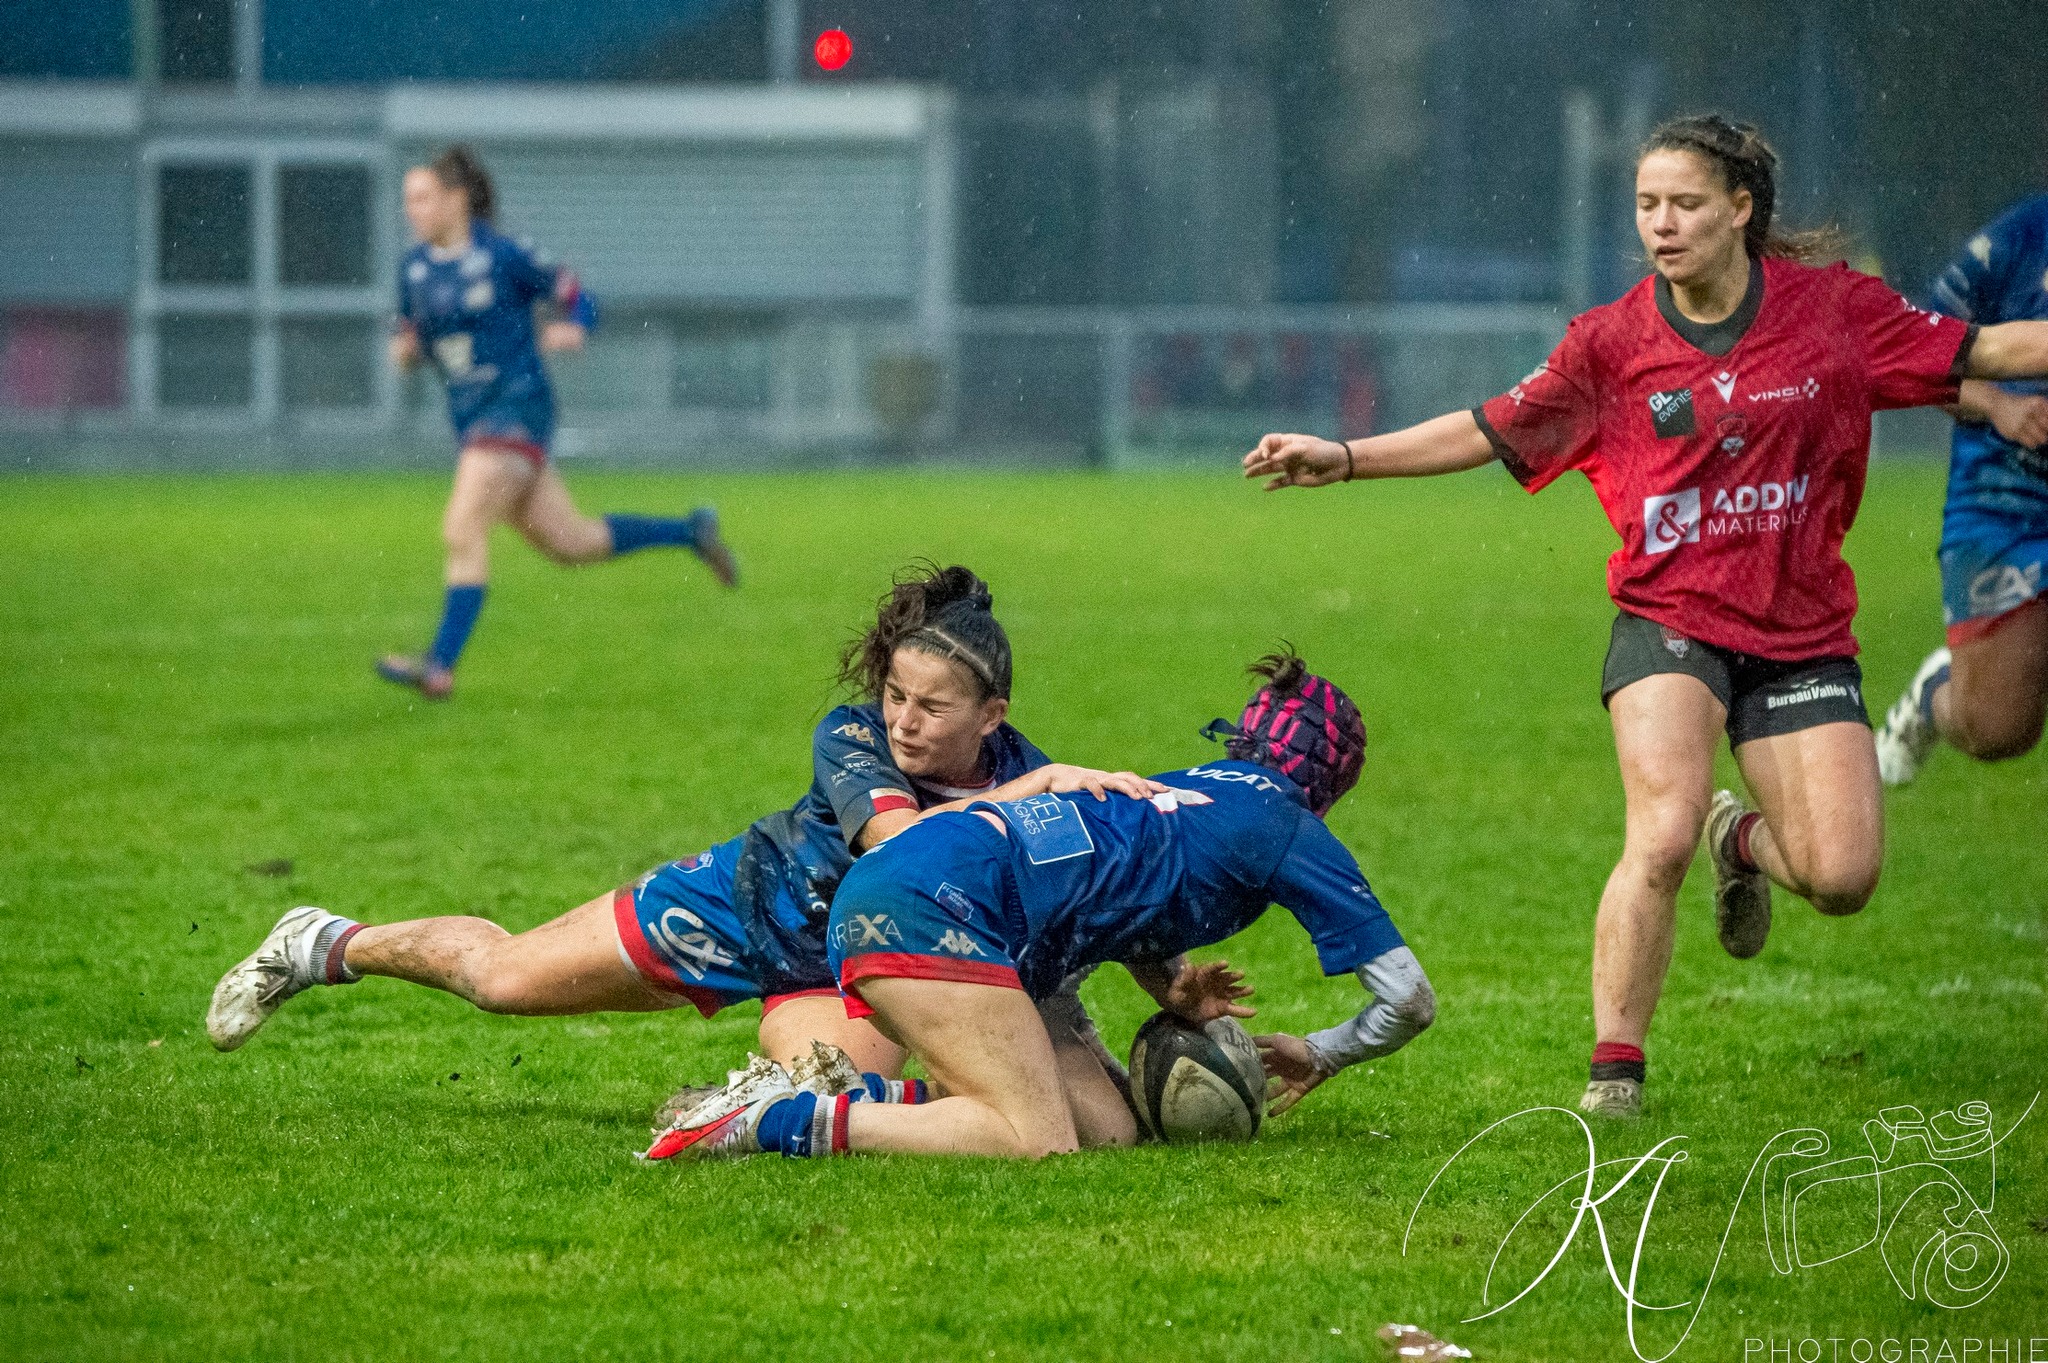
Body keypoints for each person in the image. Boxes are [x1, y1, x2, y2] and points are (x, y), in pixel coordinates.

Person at [1241, 115, 2048, 1118]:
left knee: (1839, 877)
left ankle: (1737, 840)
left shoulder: (1834, 313)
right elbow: (1488, 426)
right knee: (1656, 830)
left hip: (1800, 633)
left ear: (1739, 210)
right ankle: (1611, 1077)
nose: (1659, 225)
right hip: (1667, 622)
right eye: (1645, 205)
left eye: (1684, 205)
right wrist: (1346, 455)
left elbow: (1994, 344)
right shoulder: (1610, 345)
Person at [208, 565, 1153, 1086]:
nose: (904, 720)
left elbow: (1091, 903)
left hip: (851, 969)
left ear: (991, 717)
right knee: (500, 979)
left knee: (851, 1106)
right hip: (743, 907)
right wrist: (1029, 799)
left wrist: (1172, 982)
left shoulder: (1029, 778)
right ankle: (327, 942)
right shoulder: (855, 736)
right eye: (896, 694)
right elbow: (902, 850)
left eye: (932, 707)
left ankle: (802, 1091)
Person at [644, 651, 1436, 1161]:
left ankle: (868, 1101)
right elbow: (1408, 998)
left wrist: (1175, 989)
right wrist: (1324, 1051)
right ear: (1334, 785)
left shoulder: (1196, 788)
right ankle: (776, 1119)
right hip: (937, 905)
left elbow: (1119, 887)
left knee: (1109, 1130)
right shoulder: (1290, 826)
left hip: (941, 895)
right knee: (1037, 1139)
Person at [376, 145, 738, 701]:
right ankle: (690, 531)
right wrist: (405, 351)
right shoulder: (415, 269)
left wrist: (576, 327)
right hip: (472, 418)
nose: (412, 209)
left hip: (516, 408)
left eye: (422, 197)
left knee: (462, 526)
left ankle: (439, 667)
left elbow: (576, 293)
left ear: (458, 200)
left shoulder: (503, 256)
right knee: (572, 542)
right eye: (408, 200)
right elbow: (414, 338)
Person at [1875, 193, 2048, 783]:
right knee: (1999, 728)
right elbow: (1911, 355)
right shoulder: (2016, 241)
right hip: (2007, 501)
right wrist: (1998, 405)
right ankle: (1935, 695)